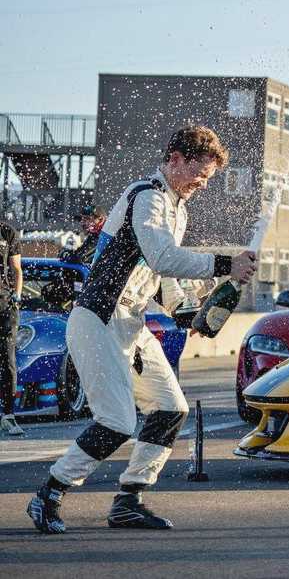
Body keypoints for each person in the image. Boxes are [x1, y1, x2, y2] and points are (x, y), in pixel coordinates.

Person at [27, 126, 257, 534]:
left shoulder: (177, 208)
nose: (201, 186)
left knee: (171, 408)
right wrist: (226, 264)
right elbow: (164, 256)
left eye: (207, 180)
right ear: (175, 158)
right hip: (97, 321)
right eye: (199, 175)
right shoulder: (147, 195)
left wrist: (190, 314)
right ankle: (50, 493)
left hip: (130, 325)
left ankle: (129, 501)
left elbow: (162, 280)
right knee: (115, 420)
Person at [1, 217, 24, 437]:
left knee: (8, 359)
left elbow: (17, 270)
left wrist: (16, 297)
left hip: (4, 305)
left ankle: (8, 415)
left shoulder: (7, 231)